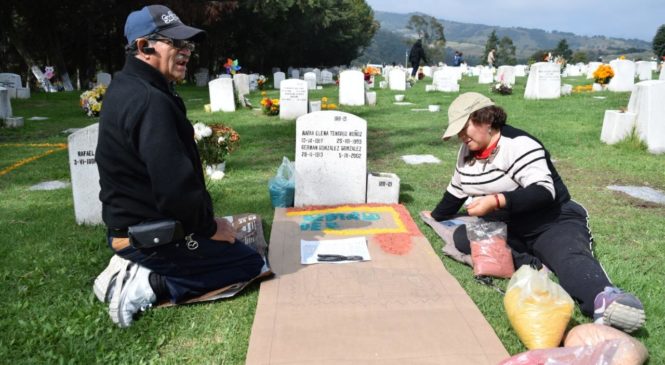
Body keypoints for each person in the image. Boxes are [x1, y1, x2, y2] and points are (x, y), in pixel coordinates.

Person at [94, 4, 264, 328]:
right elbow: (175, 189)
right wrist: (211, 229)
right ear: (144, 47)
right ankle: (145, 284)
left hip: (139, 228)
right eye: (176, 43)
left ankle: (139, 267)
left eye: (188, 44)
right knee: (247, 263)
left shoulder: (130, 87)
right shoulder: (150, 101)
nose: (186, 51)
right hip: (151, 238)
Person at [428, 92, 646, 333]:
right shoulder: (467, 152)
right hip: (510, 225)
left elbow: (543, 192)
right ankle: (532, 263)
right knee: (463, 236)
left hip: (550, 220)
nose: (461, 135)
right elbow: (455, 192)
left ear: (486, 120)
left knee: (568, 255)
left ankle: (606, 299)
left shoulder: (519, 144)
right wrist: (436, 215)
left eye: (464, 127)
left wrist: (496, 200)